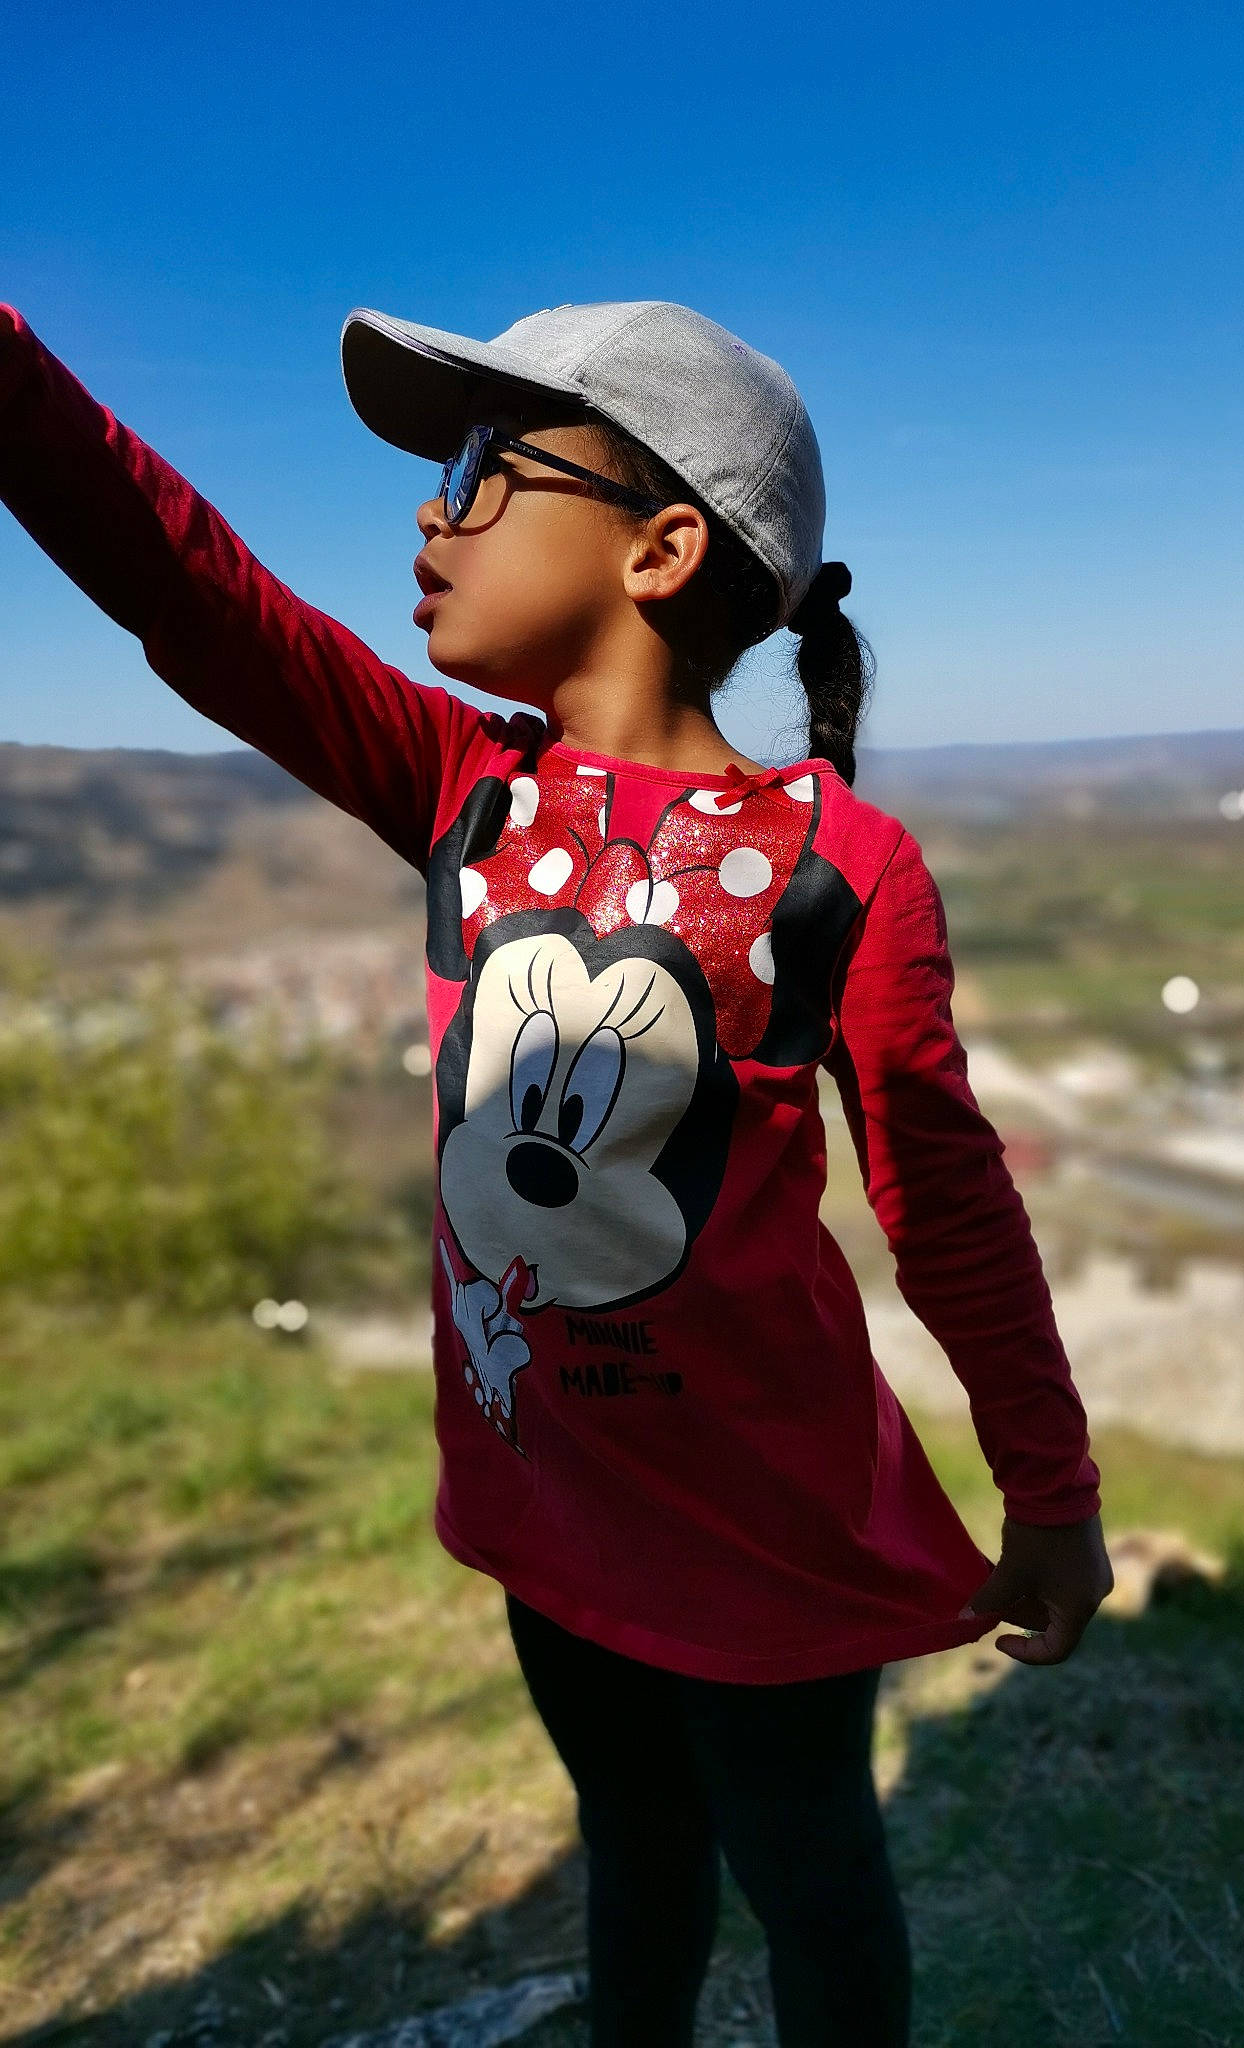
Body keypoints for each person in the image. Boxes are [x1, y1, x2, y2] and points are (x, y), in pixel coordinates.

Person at [0, 296, 1113, 2046]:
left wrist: (1049, 1490)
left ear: (664, 547)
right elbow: (185, 590)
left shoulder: (844, 865)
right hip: (549, 1508)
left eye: (478, 467)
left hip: (773, 1540)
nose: (430, 516)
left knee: (816, 1889)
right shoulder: (461, 786)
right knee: (632, 1839)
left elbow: (946, 1198)